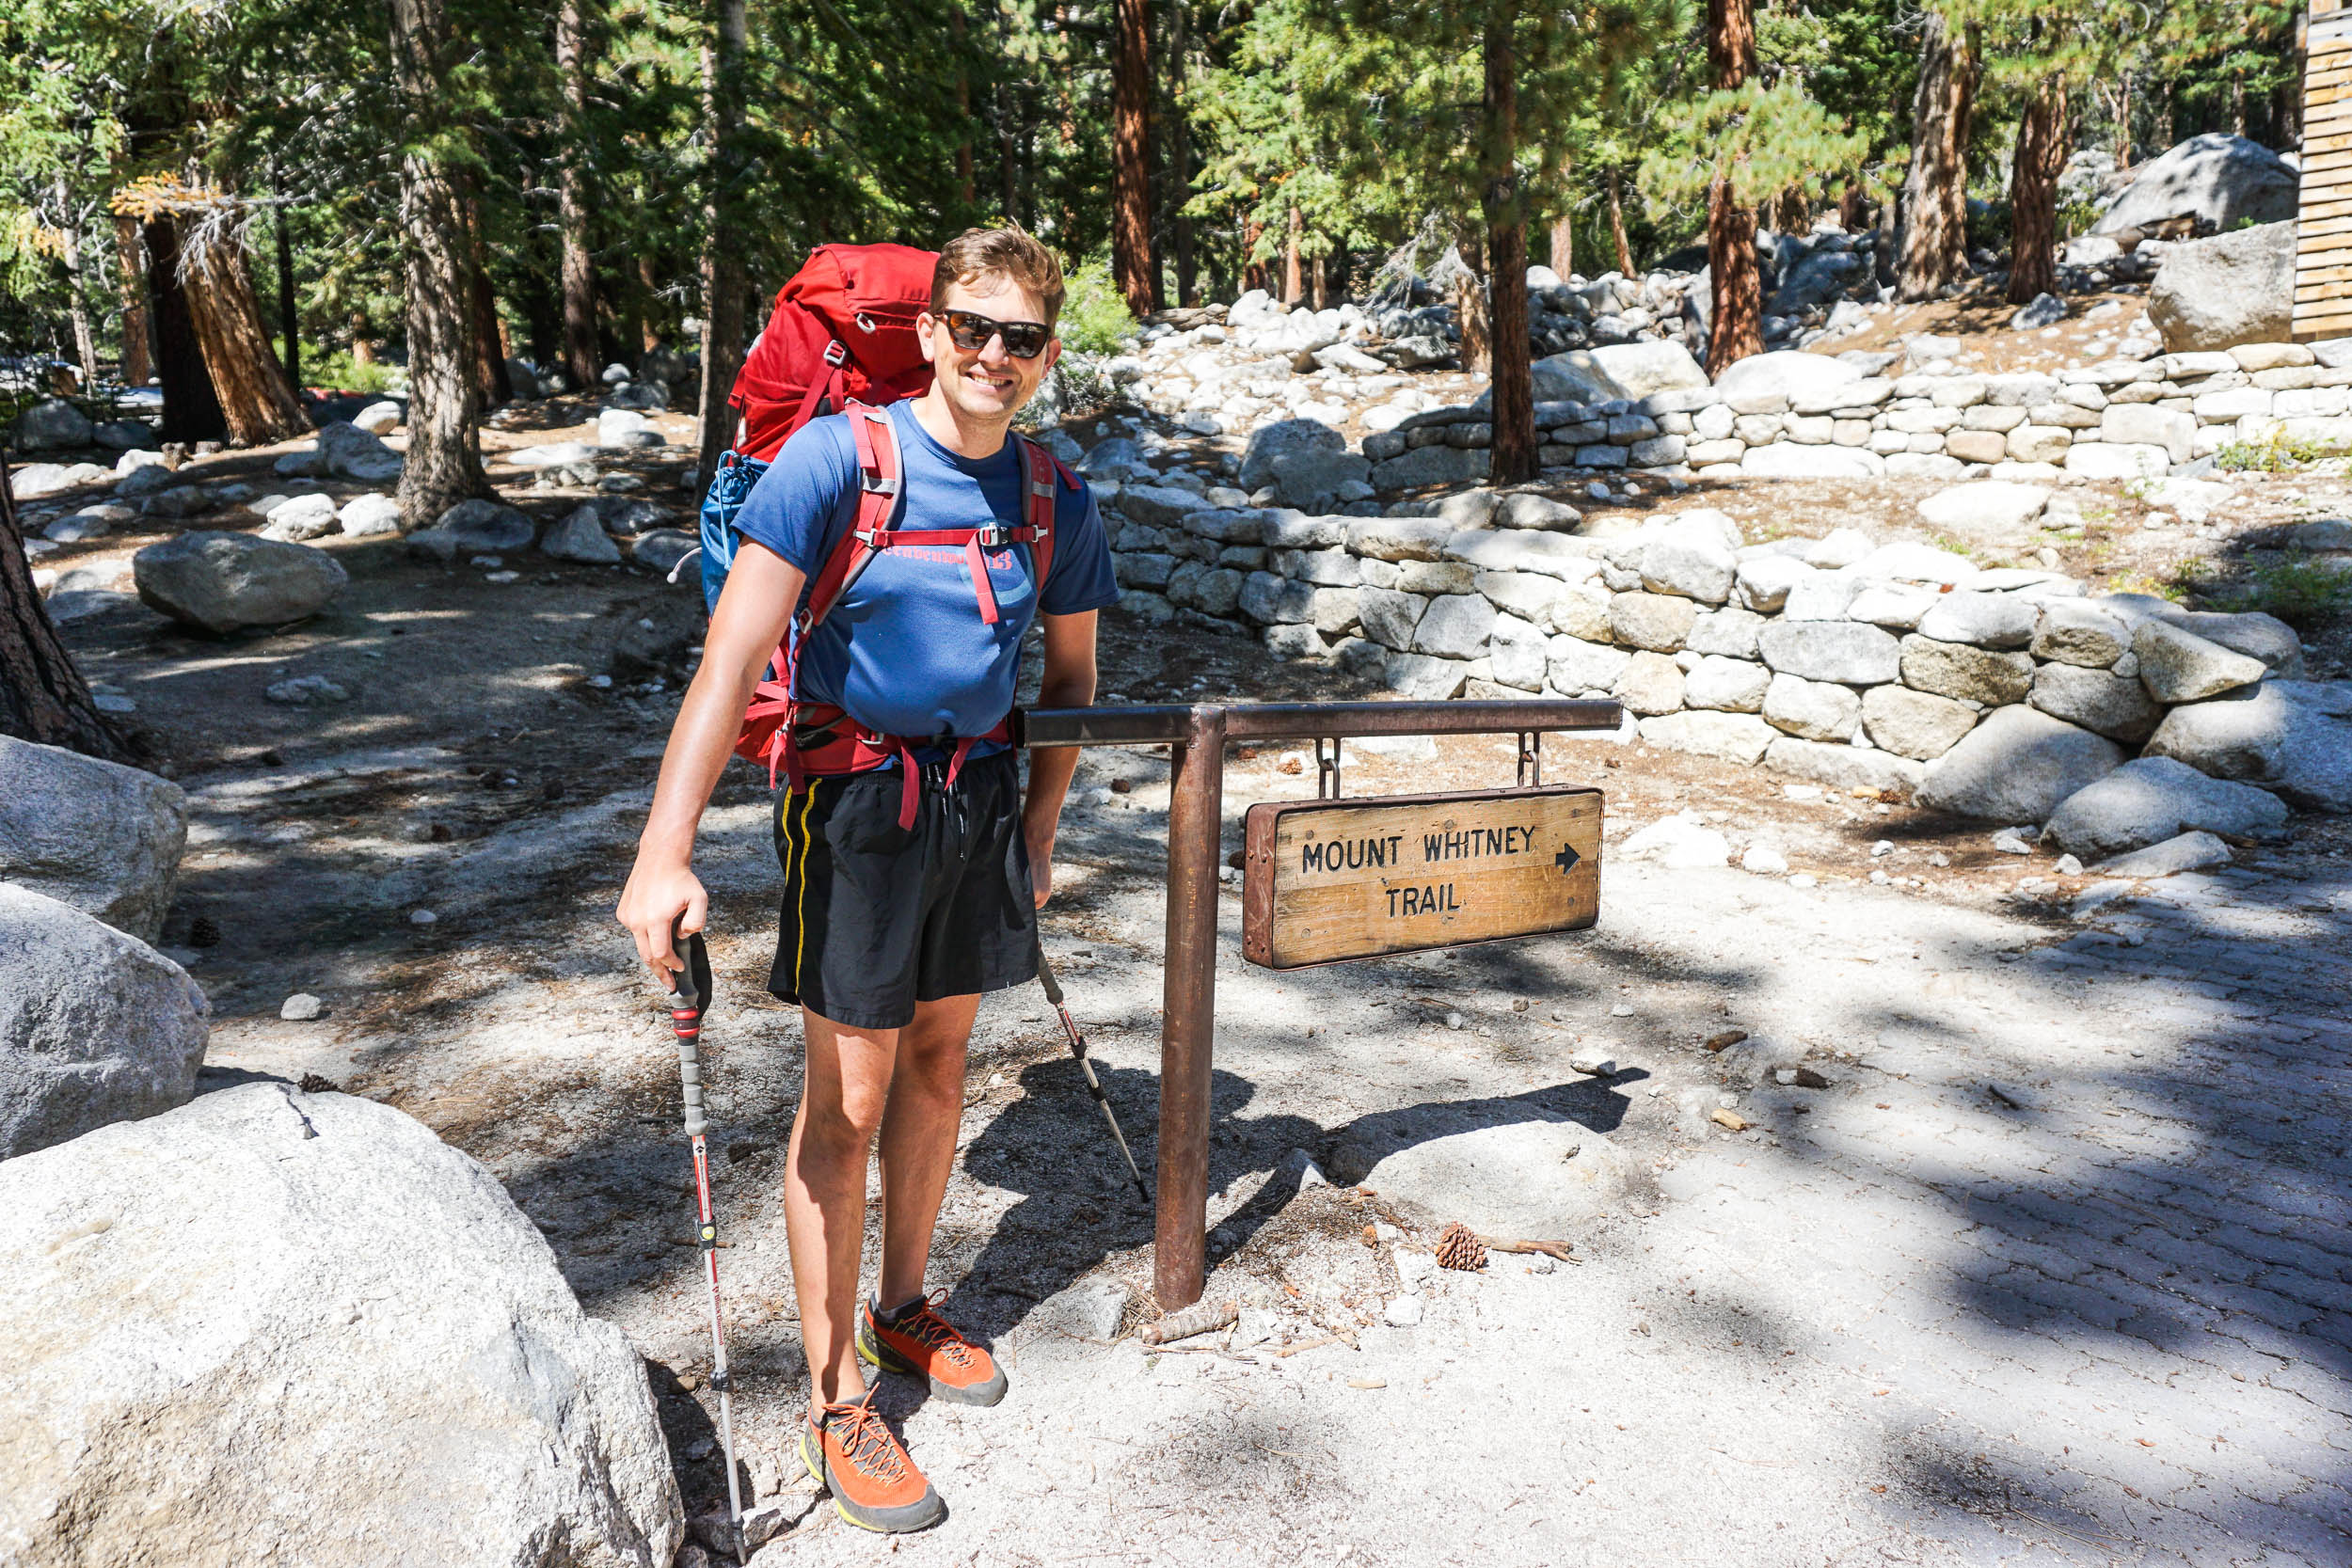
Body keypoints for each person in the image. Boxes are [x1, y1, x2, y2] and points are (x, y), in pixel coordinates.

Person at [615, 225, 1118, 1534]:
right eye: (972, 327)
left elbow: (1069, 686)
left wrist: (1040, 834)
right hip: (855, 808)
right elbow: (730, 665)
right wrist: (664, 851)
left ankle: (903, 1310)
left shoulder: (1054, 494)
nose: (993, 356)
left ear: (1046, 353)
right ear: (931, 329)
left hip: (981, 806)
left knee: (943, 1066)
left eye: (1022, 338)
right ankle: (837, 1392)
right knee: (846, 1097)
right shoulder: (840, 459)